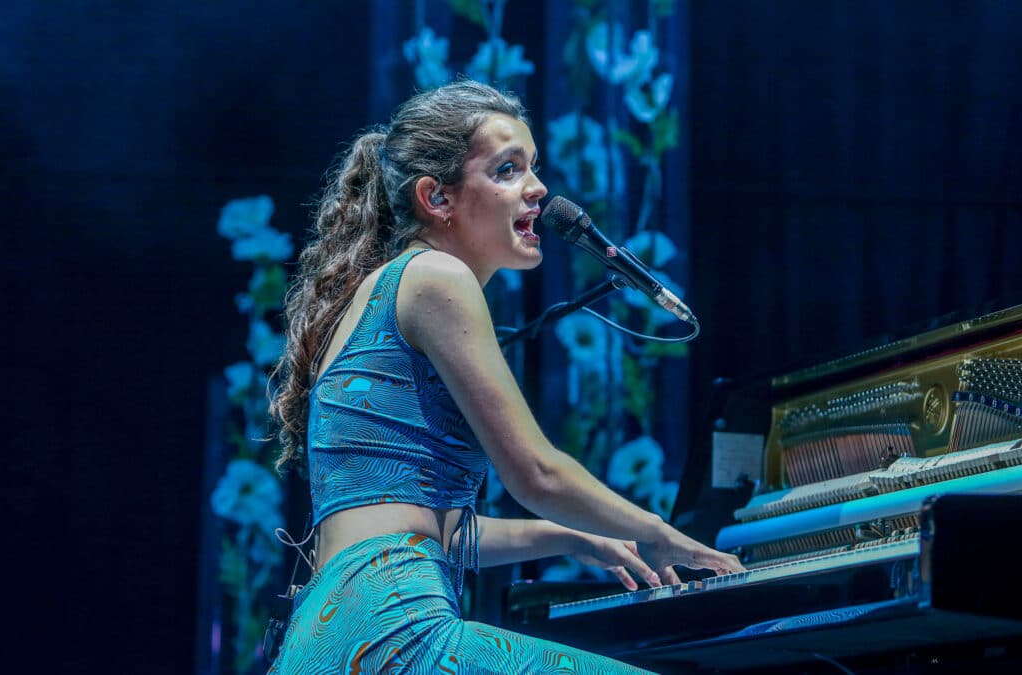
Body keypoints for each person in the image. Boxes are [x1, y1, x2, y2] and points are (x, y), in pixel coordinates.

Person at [267, 79, 743, 674]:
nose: (539, 189)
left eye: (533, 168)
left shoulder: (385, 289)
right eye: (508, 170)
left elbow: (418, 524)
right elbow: (535, 472)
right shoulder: (437, 276)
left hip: (331, 636)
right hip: (395, 631)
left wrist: (570, 537)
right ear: (436, 199)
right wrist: (657, 530)